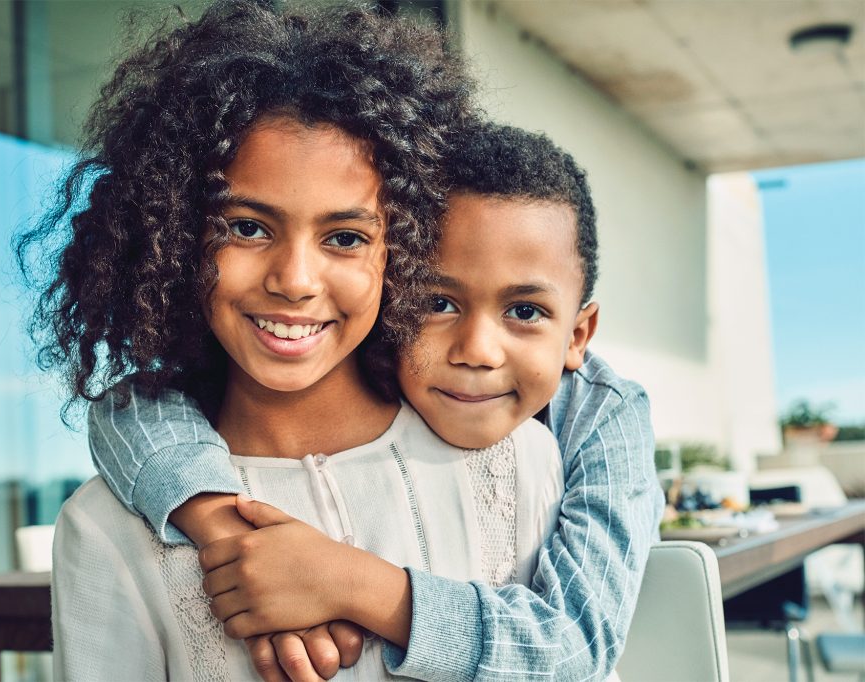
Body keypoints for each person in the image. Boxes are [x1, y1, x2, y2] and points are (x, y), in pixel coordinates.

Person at [87, 120, 662, 679]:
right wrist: (222, 527)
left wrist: (348, 581)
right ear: (395, 288)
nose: (478, 351)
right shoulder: (331, 351)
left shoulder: (593, 421)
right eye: (437, 303)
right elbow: (130, 409)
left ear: (579, 336)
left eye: (525, 312)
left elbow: (575, 645)